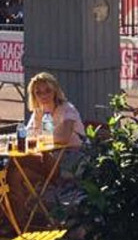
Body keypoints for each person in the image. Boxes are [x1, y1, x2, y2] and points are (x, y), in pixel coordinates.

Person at [7, 73, 86, 221]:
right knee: (13, 174)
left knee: (16, 162)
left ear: (55, 91)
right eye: (38, 93)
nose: (43, 96)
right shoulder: (39, 111)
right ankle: (19, 222)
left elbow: (63, 137)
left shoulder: (67, 109)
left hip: (71, 160)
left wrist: (40, 138)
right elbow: (29, 136)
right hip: (48, 158)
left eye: (47, 91)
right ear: (33, 95)